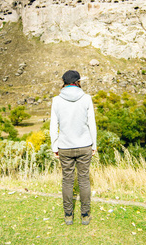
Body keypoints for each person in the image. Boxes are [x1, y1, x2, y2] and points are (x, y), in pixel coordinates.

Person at [50, 70, 97, 225]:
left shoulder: (56, 100)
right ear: (78, 82)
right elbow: (91, 123)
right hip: (84, 146)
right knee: (84, 180)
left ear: (64, 82)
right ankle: (85, 215)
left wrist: (54, 146)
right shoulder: (87, 99)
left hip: (64, 147)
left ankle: (68, 215)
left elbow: (53, 125)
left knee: (67, 181)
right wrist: (94, 144)